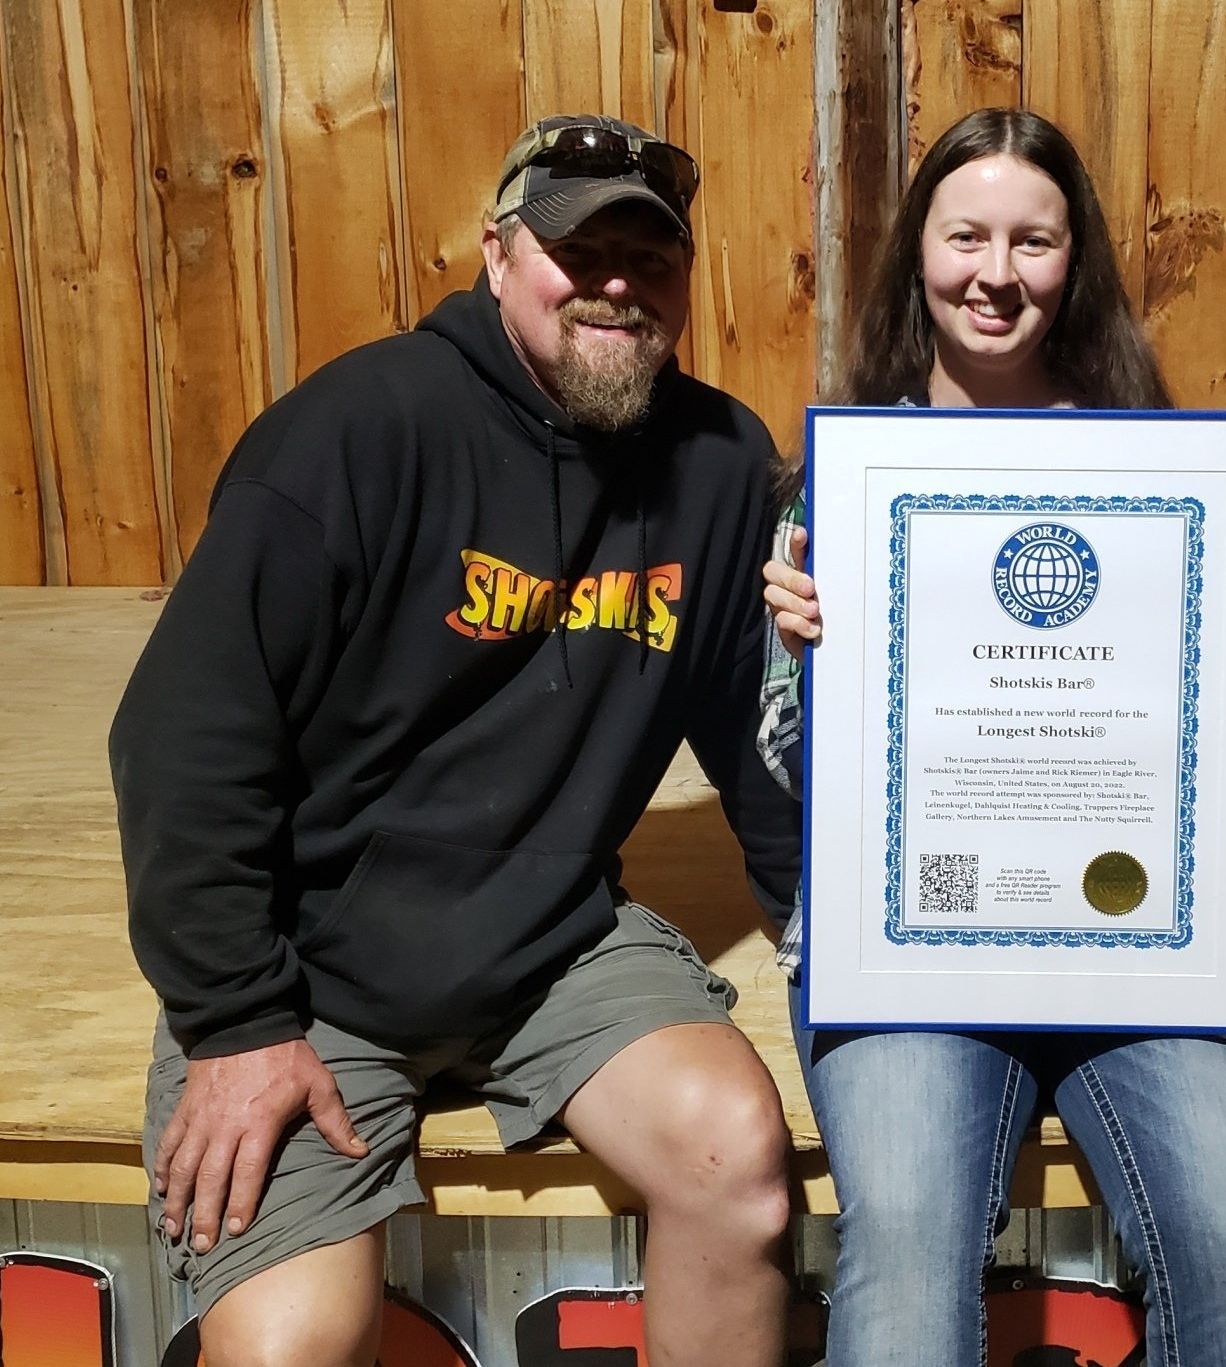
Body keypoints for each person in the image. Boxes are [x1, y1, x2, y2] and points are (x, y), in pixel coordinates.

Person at [110, 115, 799, 1367]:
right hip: (311, 971)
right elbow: (180, 737)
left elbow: (755, 741)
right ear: (496, 253)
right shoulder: (356, 431)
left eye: (649, 259)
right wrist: (234, 1022)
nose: (615, 284)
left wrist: (839, 935)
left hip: (552, 945)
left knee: (737, 1162)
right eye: (577, 250)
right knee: (287, 1347)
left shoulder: (715, 460)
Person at [758, 107, 1226, 1367]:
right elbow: (792, 766)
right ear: (918, 252)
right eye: (965, 236)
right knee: (899, 1248)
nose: (994, 274)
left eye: (1032, 241)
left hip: (1150, 956)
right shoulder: (838, 485)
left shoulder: (1178, 475)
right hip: (913, 951)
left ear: (1077, 263)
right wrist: (807, 666)